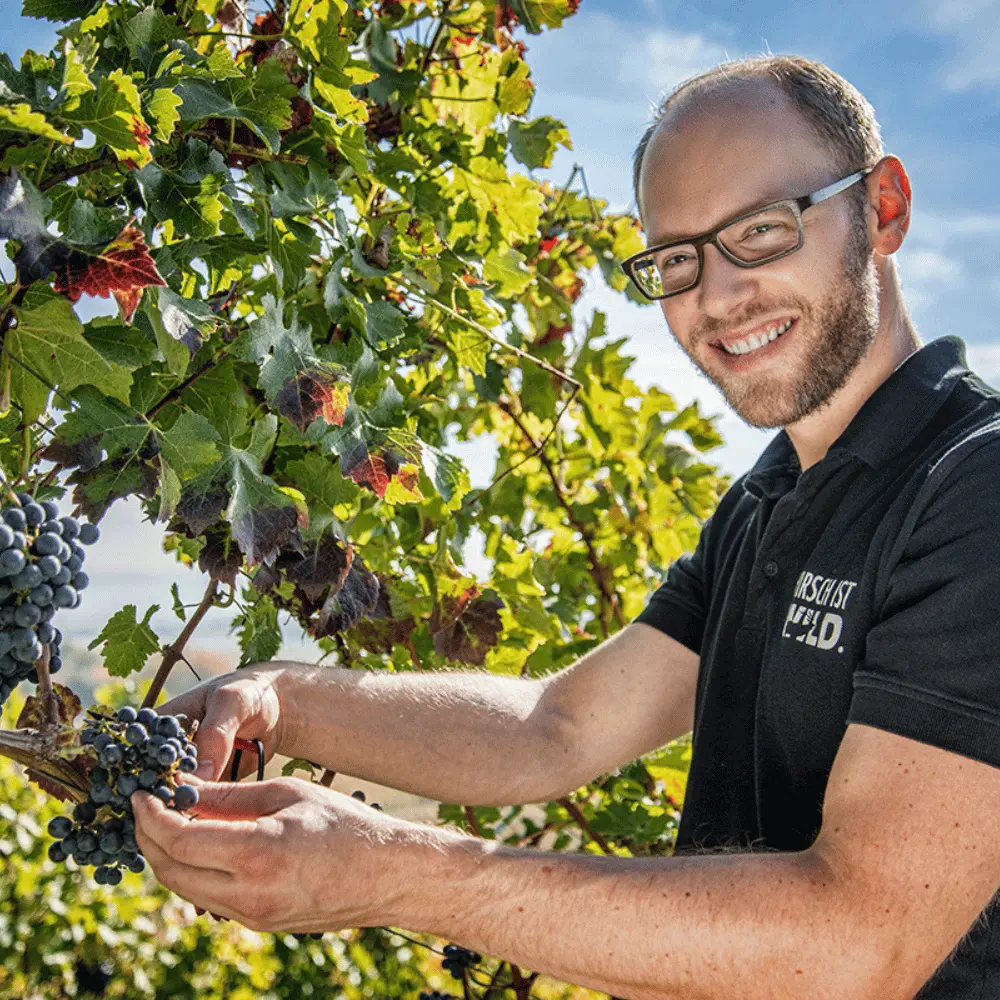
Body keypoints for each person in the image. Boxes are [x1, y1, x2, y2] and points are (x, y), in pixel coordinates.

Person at [132, 54, 1000, 999]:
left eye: (761, 230)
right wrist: (282, 700)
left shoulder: (974, 487)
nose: (716, 296)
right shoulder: (768, 503)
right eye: (677, 259)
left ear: (884, 208)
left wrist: (393, 873)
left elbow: (860, 944)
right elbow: (556, 729)